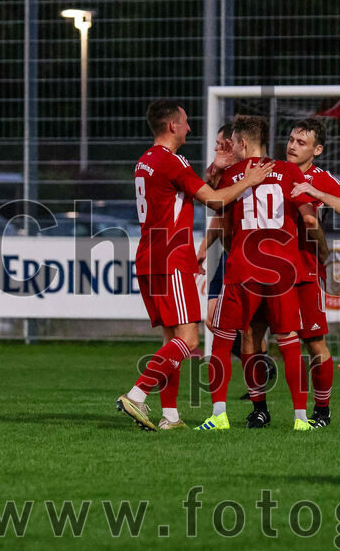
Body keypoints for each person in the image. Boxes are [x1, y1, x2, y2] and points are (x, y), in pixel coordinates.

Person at [116, 100, 272, 432]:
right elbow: (214, 200)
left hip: (151, 255)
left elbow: (181, 193)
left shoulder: (146, 160)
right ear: (172, 126)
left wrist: (214, 171)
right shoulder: (172, 161)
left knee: (170, 338)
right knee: (189, 340)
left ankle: (170, 416)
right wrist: (250, 179)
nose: (189, 127)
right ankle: (137, 393)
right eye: (185, 122)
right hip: (173, 256)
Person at [196, 114, 319, 432]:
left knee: (223, 340)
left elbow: (215, 209)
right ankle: (301, 419)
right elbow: (308, 220)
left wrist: (217, 171)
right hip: (282, 271)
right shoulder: (290, 171)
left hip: (243, 268)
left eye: (233, 142)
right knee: (290, 342)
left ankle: (219, 415)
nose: (232, 147)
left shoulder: (234, 174)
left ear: (243, 143)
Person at [283, 118, 340, 428]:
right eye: (290, 139)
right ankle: (258, 407)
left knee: (313, 341)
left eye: (301, 143)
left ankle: (322, 410)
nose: (292, 145)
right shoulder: (274, 172)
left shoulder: (321, 178)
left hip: (304, 269)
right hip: (267, 270)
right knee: (253, 336)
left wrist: (314, 191)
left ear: (317, 150)